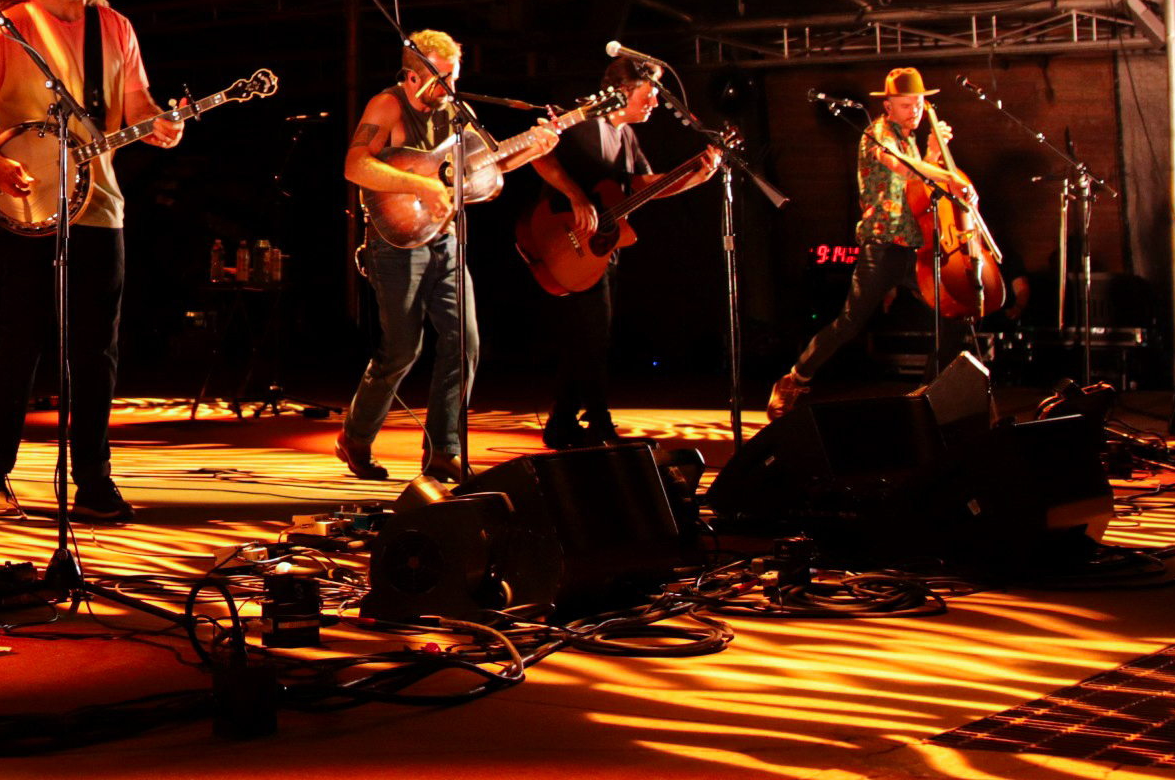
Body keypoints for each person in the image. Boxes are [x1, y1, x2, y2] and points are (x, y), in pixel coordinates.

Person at [0, 0, 181, 522]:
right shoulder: (10, 26)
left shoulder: (115, 27)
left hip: (100, 206)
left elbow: (136, 107)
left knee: (96, 351)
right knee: (20, 340)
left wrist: (160, 125)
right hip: (26, 203)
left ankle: (93, 481)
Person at [339, 29, 555, 483]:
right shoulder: (387, 106)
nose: (450, 88)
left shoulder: (456, 113)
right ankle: (355, 437)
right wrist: (421, 184)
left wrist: (532, 149)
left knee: (465, 343)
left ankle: (443, 450)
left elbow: (487, 165)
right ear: (413, 78)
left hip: (446, 239)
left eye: (454, 77)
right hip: (394, 243)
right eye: (443, 79)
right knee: (402, 351)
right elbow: (355, 165)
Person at [527, 56, 721, 448]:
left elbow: (645, 187)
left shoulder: (626, 137)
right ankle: (598, 422)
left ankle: (562, 421)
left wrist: (697, 175)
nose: (655, 102)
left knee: (586, 336)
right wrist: (575, 194)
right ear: (622, 91)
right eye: (650, 92)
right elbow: (537, 153)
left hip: (601, 248)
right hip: (567, 241)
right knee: (593, 335)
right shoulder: (584, 122)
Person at [768, 66, 972, 419]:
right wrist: (948, 176)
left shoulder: (909, 138)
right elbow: (903, 167)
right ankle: (795, 378)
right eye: (906, 105)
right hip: (883, 245)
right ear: (888, 106)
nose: (915, 111)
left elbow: (916, 185)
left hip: (914, 246)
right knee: (850, 322)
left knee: (953, 311)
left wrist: (932, 153)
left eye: (919, 104)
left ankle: (930, 396)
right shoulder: (878, 133)